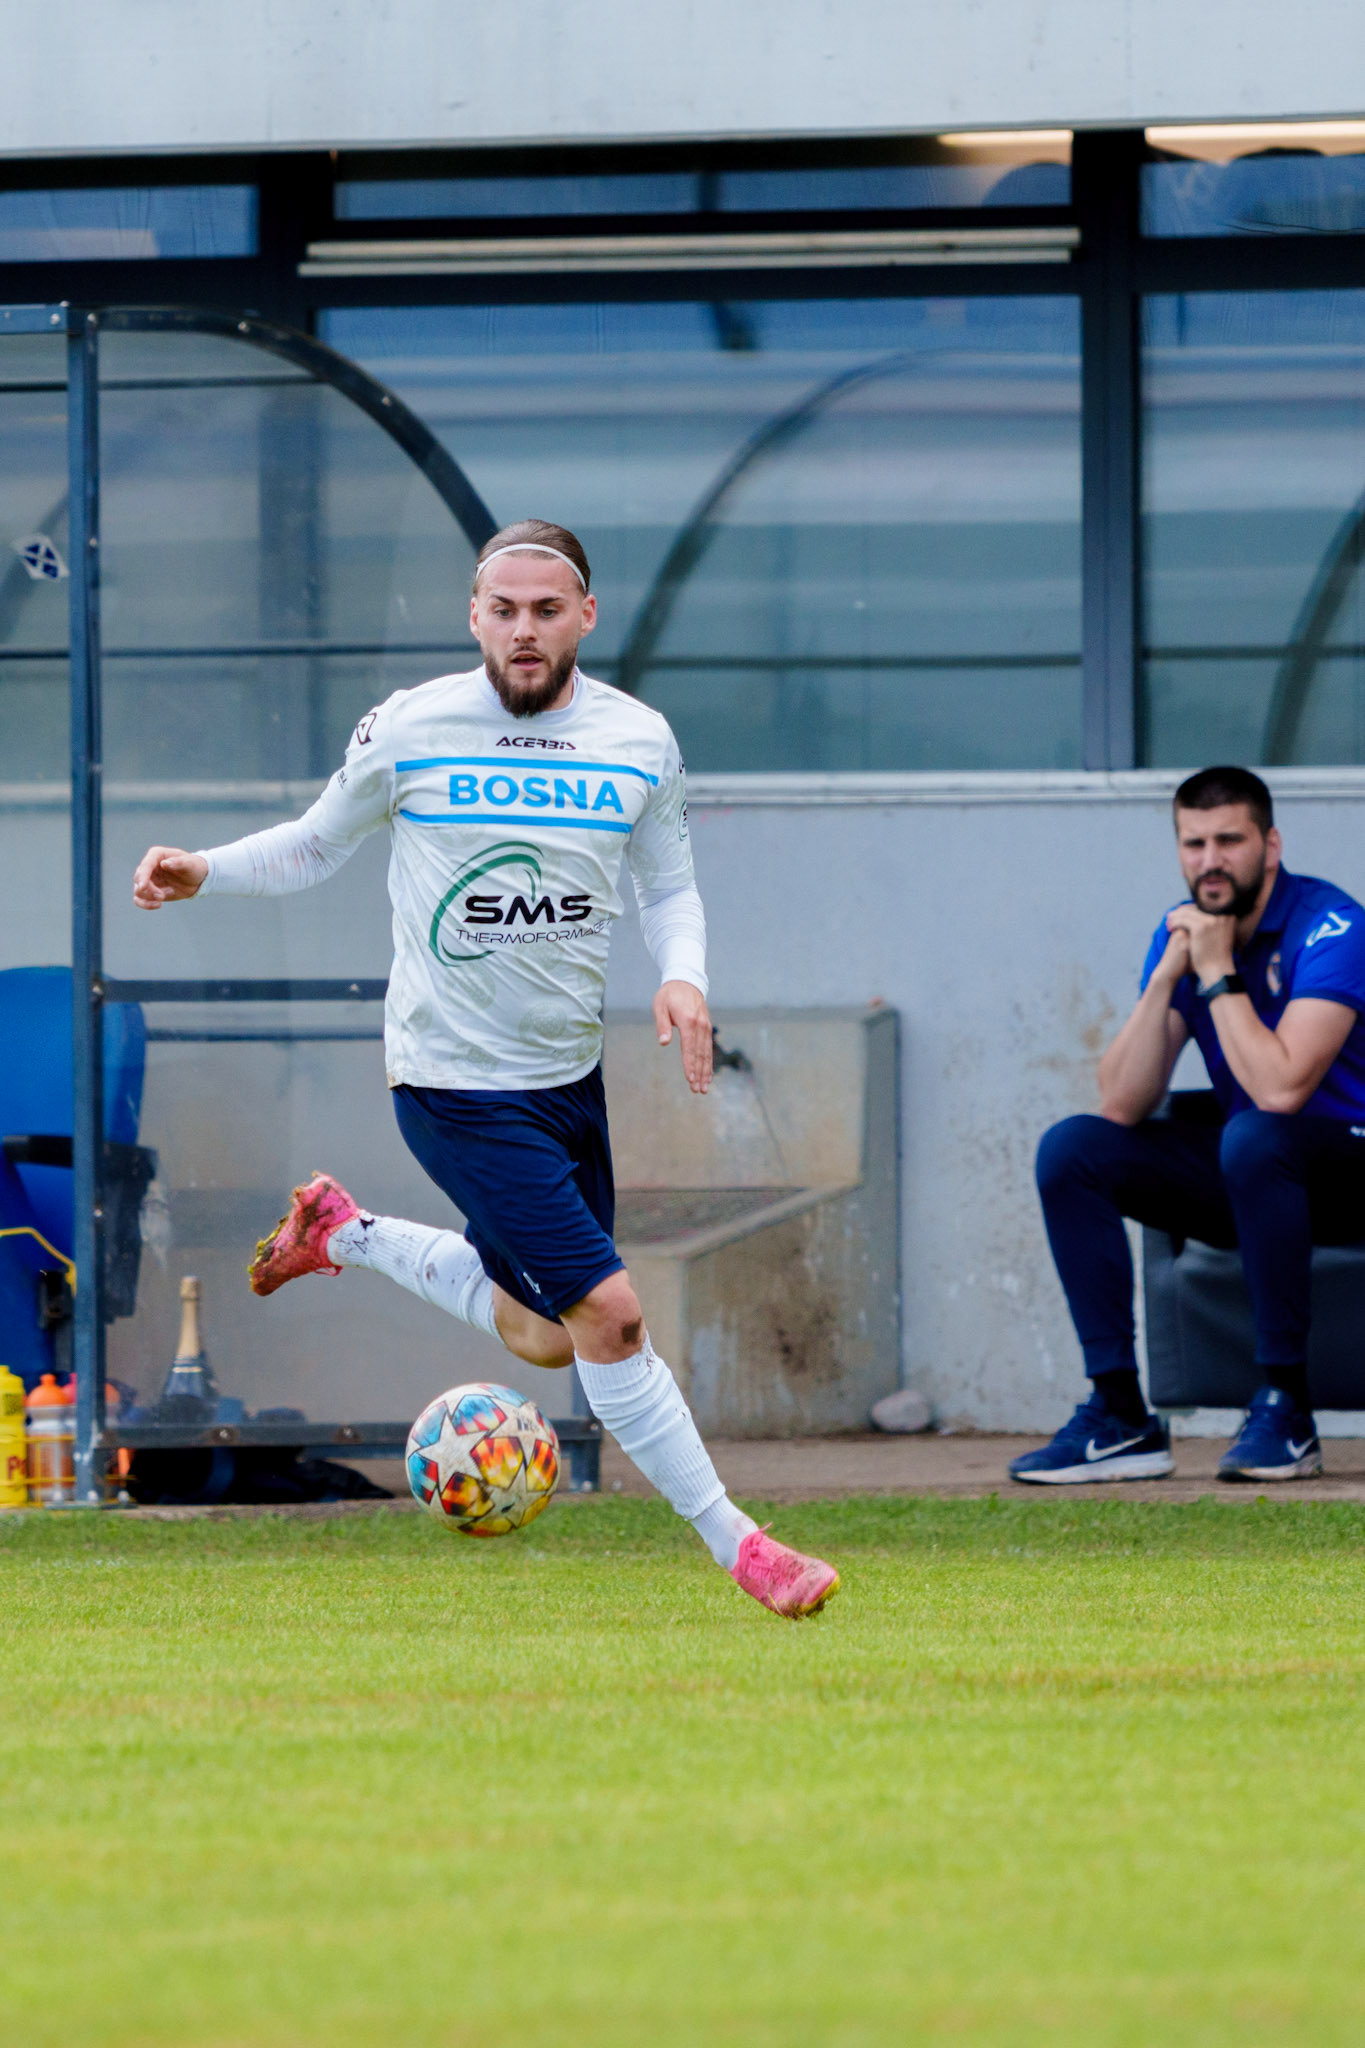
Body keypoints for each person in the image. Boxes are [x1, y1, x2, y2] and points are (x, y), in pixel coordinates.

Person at [133, 518, 838, 1618]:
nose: (523, 628)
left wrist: (684, 976)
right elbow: (320, 841)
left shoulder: (638, 738)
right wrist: (202, 871)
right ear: (473, 615)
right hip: (451, 1081)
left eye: (545, 609)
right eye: (502, 608)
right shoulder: (412, 727)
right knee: (612, 1317)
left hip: (567, 1081)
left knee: (543, 1334)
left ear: (585, 616)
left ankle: (344, 1231)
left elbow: (668, 887)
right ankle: (744, 1547)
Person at [1012, 764, 1365, 1487]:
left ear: (1269, 845)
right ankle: (1119, 1414)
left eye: (1228, 841)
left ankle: (1284, 1408)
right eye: (1193, 843)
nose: (1209, 861)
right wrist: (1167, 977)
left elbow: (1280, 1087)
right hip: (1257, 1173)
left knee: (1255, 1135)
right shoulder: (1185, 933)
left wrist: (1215, 973)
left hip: (1345, 1168)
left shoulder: (1332, 926)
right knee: (1073, 1148)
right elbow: (1122, 1101)